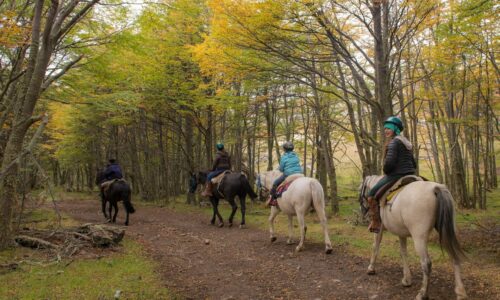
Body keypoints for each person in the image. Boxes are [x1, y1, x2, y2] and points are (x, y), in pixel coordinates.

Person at [367, 116, 416, 233]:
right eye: (385, 129)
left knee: (371, 194)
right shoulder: (407, 143)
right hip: (410, 174)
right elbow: (414, 163)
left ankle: (376, 223)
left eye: (388, 128)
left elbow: (389, 164)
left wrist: (386, 172)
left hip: (396, 175)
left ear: (395, 128)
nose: (386, 131)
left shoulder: (394, 142)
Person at [266, 141, 303, 206]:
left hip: (289, 175)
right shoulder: (296, 156)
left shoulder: (283, 157)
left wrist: (281, 169)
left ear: (285, 149)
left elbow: (281, 169)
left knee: (275, 183)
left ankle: (274, 200)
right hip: (299, 174)